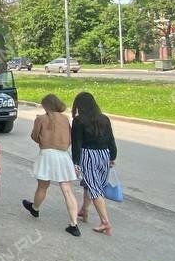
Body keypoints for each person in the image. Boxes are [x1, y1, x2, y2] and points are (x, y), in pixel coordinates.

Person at [22, 94, 81, 236]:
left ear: (46, 105)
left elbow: (34, 136)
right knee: (67, 190)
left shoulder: (41, 119)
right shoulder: (65, 119)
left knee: (42, 186)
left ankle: (35, 208)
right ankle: (74, 224)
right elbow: (70, 139)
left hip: (47, 154)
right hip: (63, 155)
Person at [71, 91, 118, 236]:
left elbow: (77, 143)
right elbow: (111, 139)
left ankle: (105, 222)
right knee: (90, 184)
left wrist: (76, 162)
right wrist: (112, 156)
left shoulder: (79, 121)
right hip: (104, 154)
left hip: (88, 155)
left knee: (94, 188)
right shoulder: (104, 119)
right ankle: (84, 210)